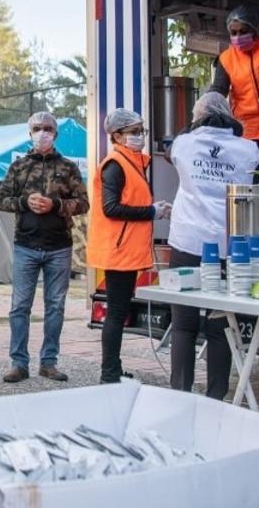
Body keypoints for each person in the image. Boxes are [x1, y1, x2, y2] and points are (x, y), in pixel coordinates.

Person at [166, 93, 259, 399]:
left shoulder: (184, 144)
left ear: (197, 115)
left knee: (183, 323)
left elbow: (176, 142)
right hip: (226, 244)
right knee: (221, 324)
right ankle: (216, 397)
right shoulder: (248, 149)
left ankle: (181, 391)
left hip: (187, 241)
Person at [0, 111, 89, 383]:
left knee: (55, 306)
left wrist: (57, 205)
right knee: (20, 306)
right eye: (37, 128)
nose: (43, 133)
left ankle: (49, 362)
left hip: (59, 246)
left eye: (48, 128)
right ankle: (18, 363)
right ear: (30, 133)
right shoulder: (19, 166)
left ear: (55, 134)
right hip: (26, 244)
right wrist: (26, 202)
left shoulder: (69, 167)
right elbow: (2, 200)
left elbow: (84, 204)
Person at [88, 108, 169, 384]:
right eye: (135, 132)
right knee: (116, 313)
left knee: (118, 311)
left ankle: (113, 368)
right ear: (117, 136)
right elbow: (111, 208)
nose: (140, 136)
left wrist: (153, 210)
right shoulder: (115, 165)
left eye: (142, 130)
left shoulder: (132, 162)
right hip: (118, 251)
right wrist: (151, 212)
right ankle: (109, 373)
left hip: (125, 250)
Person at [209, 5, 259, 170]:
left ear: (255, 28)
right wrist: (206, 105)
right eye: (233, 33)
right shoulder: (226, 59)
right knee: (252, 177)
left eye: (243, 31)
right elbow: (218, 89)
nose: (238, 37)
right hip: (247, 130)